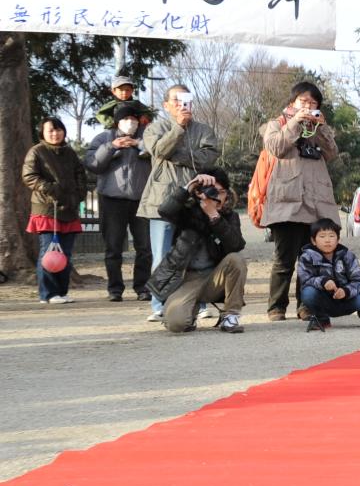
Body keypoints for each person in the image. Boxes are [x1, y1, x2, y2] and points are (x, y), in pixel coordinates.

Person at [259, 81, 343, 321]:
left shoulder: (317, 128)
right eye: (303, 101)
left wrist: (322, 128)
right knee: (284, 259)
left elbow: (332, 154)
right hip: (288, 203)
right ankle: (276, 307)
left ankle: (306, 305)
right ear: (292, 103)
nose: (308, 106)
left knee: (311, 260)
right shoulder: (277, 124)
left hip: (317, 204)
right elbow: (275, 147)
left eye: (313, 103)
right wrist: (296, 122)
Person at [139, 85, 220, 323]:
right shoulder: (155, 128)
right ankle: (159, 304)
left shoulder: (204, 130)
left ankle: (199, 302)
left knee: (196, 253)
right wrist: (179, 128)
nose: (181, 104)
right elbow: (159, 150)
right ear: (166, 105)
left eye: (185, 99)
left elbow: (208, 159)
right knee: (162, 255)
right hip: (161, 200)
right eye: (175, 100)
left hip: (194, 201)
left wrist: (177, 154)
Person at [148, 171, 247, 334]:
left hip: (214, 278)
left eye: (220, 192)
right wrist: (188, 187)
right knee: (176, 325)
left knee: (236, 259)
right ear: (201, 193)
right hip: (186, 279)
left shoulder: (230, 216)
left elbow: (236, 245)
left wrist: (214, 216)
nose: (216, 197)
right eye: (212, 191)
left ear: (227, 194)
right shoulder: (188, 212)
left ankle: (230, 316)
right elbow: (164, 211)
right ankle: (190, 311)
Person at [86, 100, 155, 303]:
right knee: (113, 248)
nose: (130, 122)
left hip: (141, 199)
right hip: (111, 199)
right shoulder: (103, 138)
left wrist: (139, 144)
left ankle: (142, 287)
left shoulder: (147, 137)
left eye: (134, 119)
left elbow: (160, 154)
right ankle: (115, 289)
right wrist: (112, 147)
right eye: (125, 119)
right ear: (117, 122)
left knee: (145, 247)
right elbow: (92, 164)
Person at [23, 117, 88, 305]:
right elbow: (29, 176)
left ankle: (61, 291)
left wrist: (79, 194)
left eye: (58, 129)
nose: (55, 133)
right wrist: (50, 189)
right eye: (50, 130)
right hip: (47, 208)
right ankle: (48, 293)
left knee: (65, 253)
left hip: (69, 208)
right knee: (49, 252)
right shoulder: (37, 151)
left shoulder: (70, 152)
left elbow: (80, 174)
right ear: (42, 133)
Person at [297, 217, 360, 332]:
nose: (327, 240)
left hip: (347, 300)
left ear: (338, 239)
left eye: (331, 236)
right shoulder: (306, 257)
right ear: (313, 240)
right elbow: (305, 280)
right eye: (322, 236)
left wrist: (346, 291)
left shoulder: (347, 255)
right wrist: (323, 282)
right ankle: (321, 318)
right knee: (307, 293)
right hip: (323, 301)